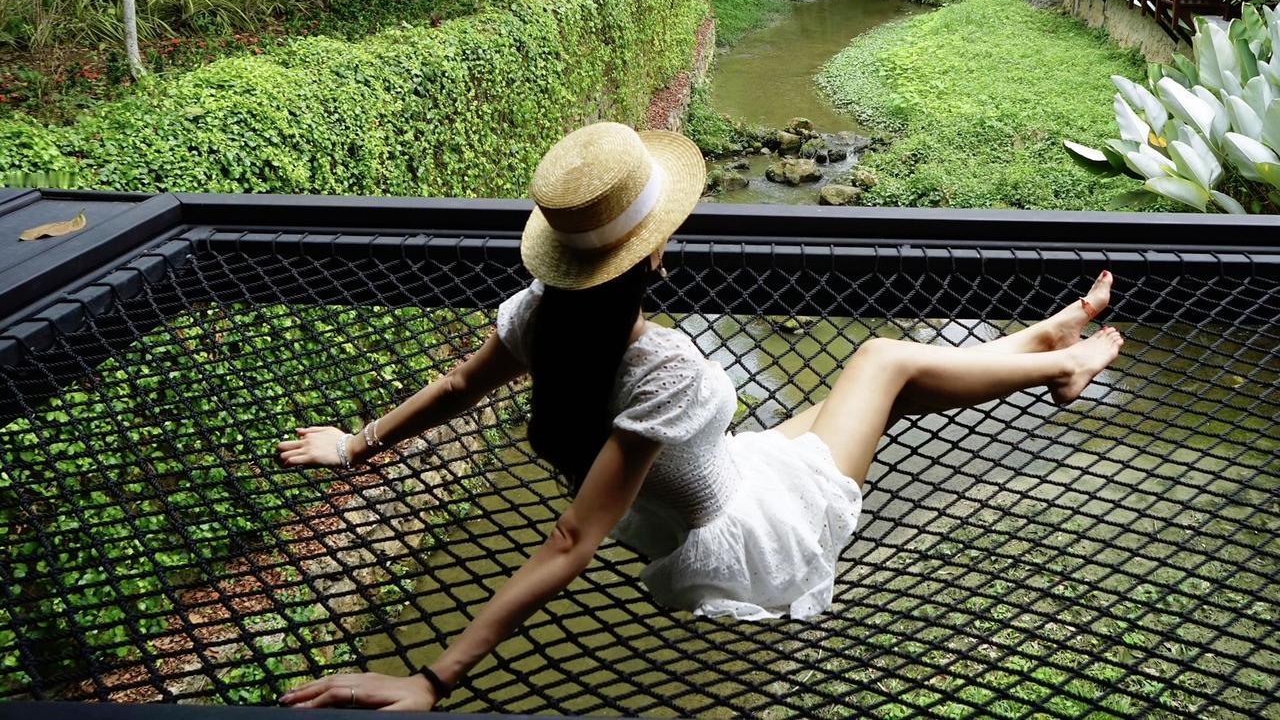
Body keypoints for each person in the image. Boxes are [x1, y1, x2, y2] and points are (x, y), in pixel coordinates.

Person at [278, 122, 1123, 712]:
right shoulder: (673, 372)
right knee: (880, 362)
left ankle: (1037, 342)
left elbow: (460, 385)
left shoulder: (538, 315)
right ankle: (1063, 363)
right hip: (749, 532)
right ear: (652, 252)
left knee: (860, 400)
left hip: (717, 474)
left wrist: (356, 444)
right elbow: (570, 541)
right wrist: (435, 679)